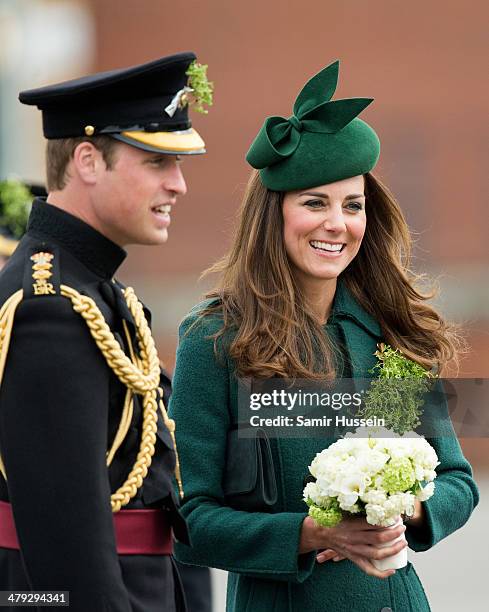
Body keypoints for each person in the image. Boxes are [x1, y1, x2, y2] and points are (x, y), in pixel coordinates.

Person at [168, 60, 479, 611]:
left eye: (352, 205)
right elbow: (192, 519)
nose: (338, 223)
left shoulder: (385, 332)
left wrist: (401, 506)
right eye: (315, 202)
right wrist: (313, 533)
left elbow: (456, 479)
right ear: (274, 215)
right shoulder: (215, 340)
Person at [0, 52, 212, 611]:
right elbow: (65, 544)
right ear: (89, 161)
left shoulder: (101, 293)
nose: (179, 185)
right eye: (156, 163)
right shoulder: (50, 306)